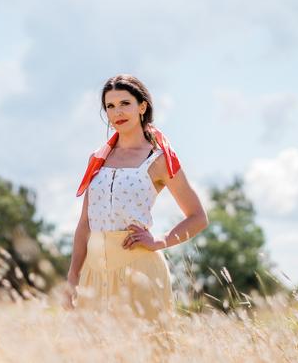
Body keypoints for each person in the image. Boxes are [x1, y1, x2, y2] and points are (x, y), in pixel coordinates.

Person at [63, 74, 209, 321]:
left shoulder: (159, 160)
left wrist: (160, 240)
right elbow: (85, 224)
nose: (117, 111)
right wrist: (73, 276)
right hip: (93, 273)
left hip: (140, 271)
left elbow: (198, 217)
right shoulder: (97, 158)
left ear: (142, 107)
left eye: (125, 103)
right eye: (110, 106)